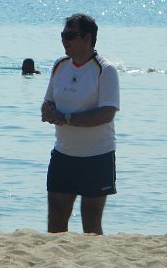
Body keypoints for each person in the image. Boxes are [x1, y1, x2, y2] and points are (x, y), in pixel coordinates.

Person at [41, 13, 120, 235]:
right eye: (62, 35)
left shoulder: (105, 70)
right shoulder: (60, 65)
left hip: (97, 156)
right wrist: (47, 111)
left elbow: (106, 114)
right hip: (63, 154)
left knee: (91, 224)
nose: (64, 40)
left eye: (69, 36)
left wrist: (66, 118)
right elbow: (48, 101)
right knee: (56, 220)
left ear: (87, 38)